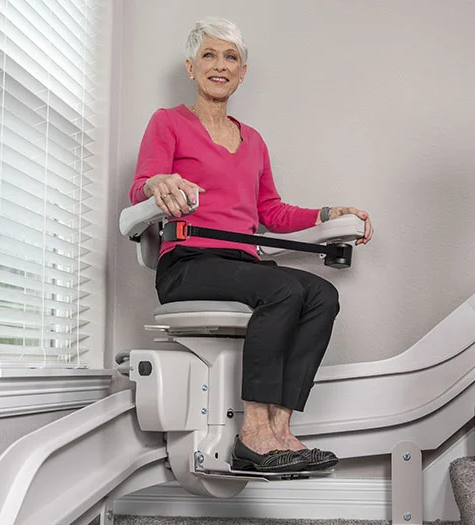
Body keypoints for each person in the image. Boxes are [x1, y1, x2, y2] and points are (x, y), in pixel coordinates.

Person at [129, 17, 374, 473]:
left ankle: (279, 430)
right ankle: (253, 433)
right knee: (283, 289)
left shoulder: (254, 140)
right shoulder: (168, 123)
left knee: (322, 294)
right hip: (188, 263)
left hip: (241, 264)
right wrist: (158, 182)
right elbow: (141, 187)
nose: (219, 66)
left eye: (231, 58)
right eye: (209, 55)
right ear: (191, 67)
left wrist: (326, 215)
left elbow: (272, 212)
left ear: (242, 72)